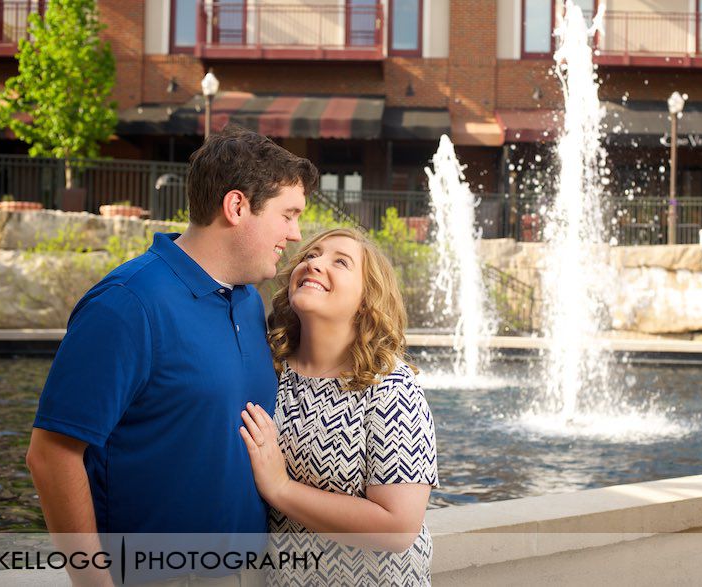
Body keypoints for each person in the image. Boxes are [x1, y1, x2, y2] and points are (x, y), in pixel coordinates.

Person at [26, 125, 318, 585]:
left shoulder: (247, 299)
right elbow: (51, 456)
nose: (296, 233)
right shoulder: (126, 304)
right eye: (288, 215)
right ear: (237, 206)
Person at [239, 228, 439, 586]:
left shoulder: (390, 386)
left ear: (367, 298)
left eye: (340, 262)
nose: (314, 264)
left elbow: (398, 527)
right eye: (310, 256)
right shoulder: (270, 369)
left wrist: (281, 488)